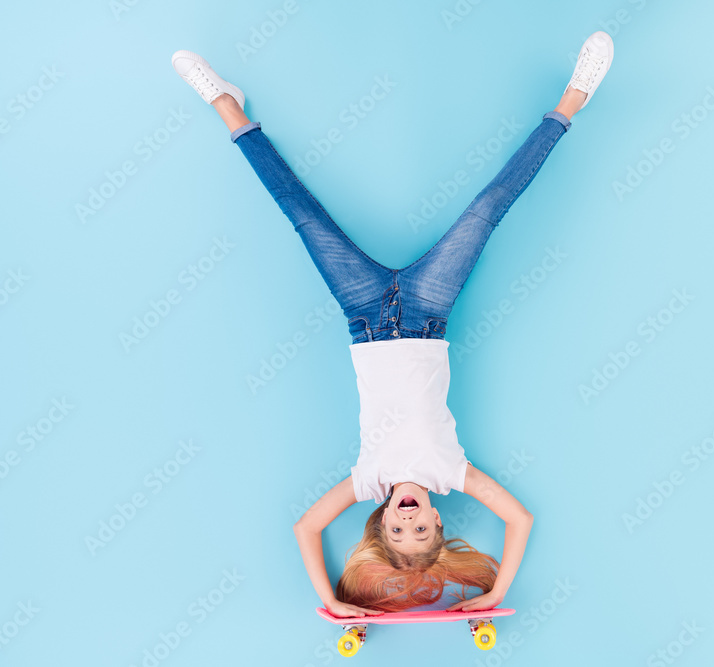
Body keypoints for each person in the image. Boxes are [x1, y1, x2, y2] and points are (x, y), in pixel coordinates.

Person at [171, 31, 614, 618]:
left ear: (382, 520)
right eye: (422, 532)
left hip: (364, 314)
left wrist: (330, 599)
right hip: (429, 310)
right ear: (437, 519)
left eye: (396, 533)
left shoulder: (368, 480)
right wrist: (498, 593)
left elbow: (306, 528)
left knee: (302, 214)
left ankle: (227, 107)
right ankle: (573, 100)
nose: (408, 525)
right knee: (487, 209)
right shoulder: (451, 471)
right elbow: (520, 518)